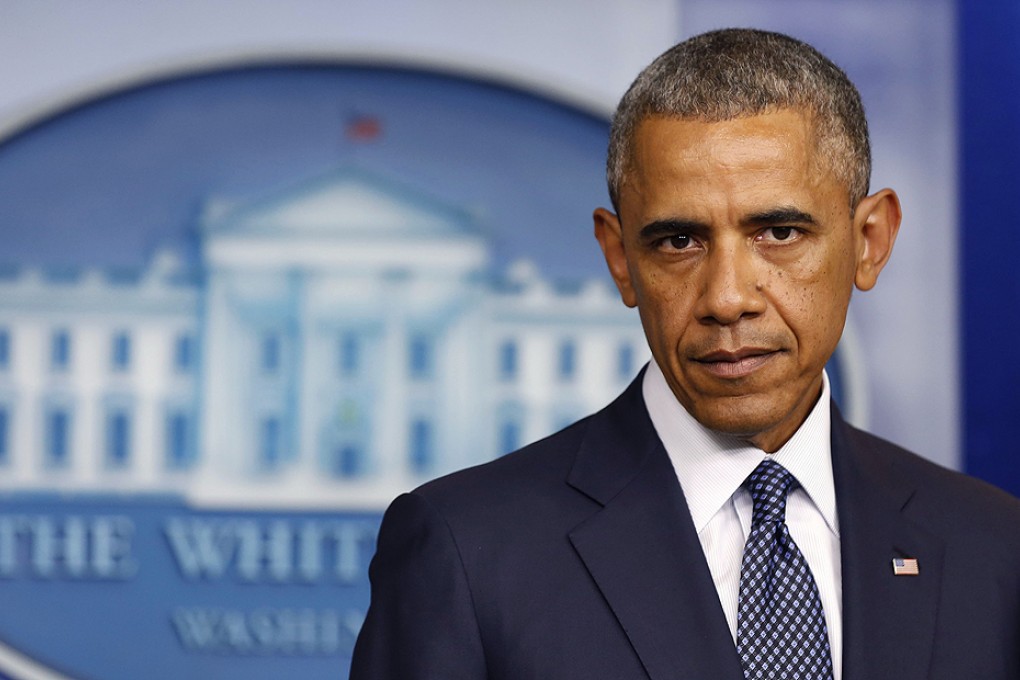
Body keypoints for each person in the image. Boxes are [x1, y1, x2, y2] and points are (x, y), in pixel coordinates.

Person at [349, 28, 1020, 679]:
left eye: (779, 232)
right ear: (619, 259)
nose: (727, 298)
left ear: (870, 240)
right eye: (678, 242)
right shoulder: (467, 550)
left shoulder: (993, 548)